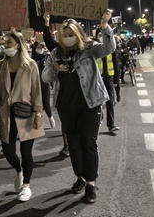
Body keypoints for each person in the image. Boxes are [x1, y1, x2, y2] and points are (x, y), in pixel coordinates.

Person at [42, 12, 115, 204]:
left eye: (71, 33)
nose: (68, 37)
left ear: (78, 33)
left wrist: (105, 26)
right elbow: (45, 77)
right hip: (66, 107)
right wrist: (54, 69)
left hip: (90, 104)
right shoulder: (55, 53)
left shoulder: (89, 48)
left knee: (88, 143)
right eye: (64, 34)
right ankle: (80, 177)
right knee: (73, 145)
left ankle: (91, 184)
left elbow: (109, 47)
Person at [0, 30, 45, 202]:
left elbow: (37, 91)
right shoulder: (0, 65)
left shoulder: (30, 65)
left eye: (9, 43)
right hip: (6, 112)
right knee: (8, 150)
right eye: (5, 42)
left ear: (19, 45)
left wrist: (38, 113)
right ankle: (19, 170)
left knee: (26, 150)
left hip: (26, 112)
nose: (5, 46)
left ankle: (27, 186)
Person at [97, 28, 120, 135]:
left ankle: (111, 125)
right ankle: (97, 122)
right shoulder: (94, 49)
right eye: (99, 35)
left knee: (110, 102)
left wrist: (116, 80)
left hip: (108, 79)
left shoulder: (112, 48)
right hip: (97, 80)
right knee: (97, 103)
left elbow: (116, 65)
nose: (101, 37)